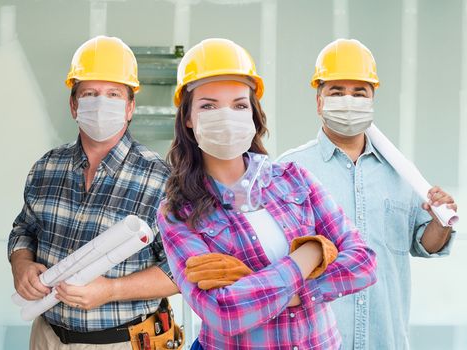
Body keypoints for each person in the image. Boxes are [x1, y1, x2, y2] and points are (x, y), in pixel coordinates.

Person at [156, 38, 377, 349]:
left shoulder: (294, 179)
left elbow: (363, 262)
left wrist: (290, 293)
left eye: (239, 104)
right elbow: (225, 313)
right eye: (208, 105)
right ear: (188, 118)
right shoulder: (178, 212)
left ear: (252, 113)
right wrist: (309, 254)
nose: (226, 116)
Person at [278, 38, 458, 349]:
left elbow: (424, 244)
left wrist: (440, 223)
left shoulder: (402, 174)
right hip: (314, 341)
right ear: (319, 100)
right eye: (336, 92)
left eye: (359, 93)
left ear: (372, 99)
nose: (348, 100)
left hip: (385, 339)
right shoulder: (289, 171)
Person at [7, 35, 178, 349]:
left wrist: (111, 290)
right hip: (46, 336)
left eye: (113, 94)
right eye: (90, 94)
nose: (101, 104)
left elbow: (182, 271)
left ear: (130, 107)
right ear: (74, 105)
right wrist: (22, 264)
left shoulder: (162, 180)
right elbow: (24, 229)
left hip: (121, 342)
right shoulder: (47, 168)